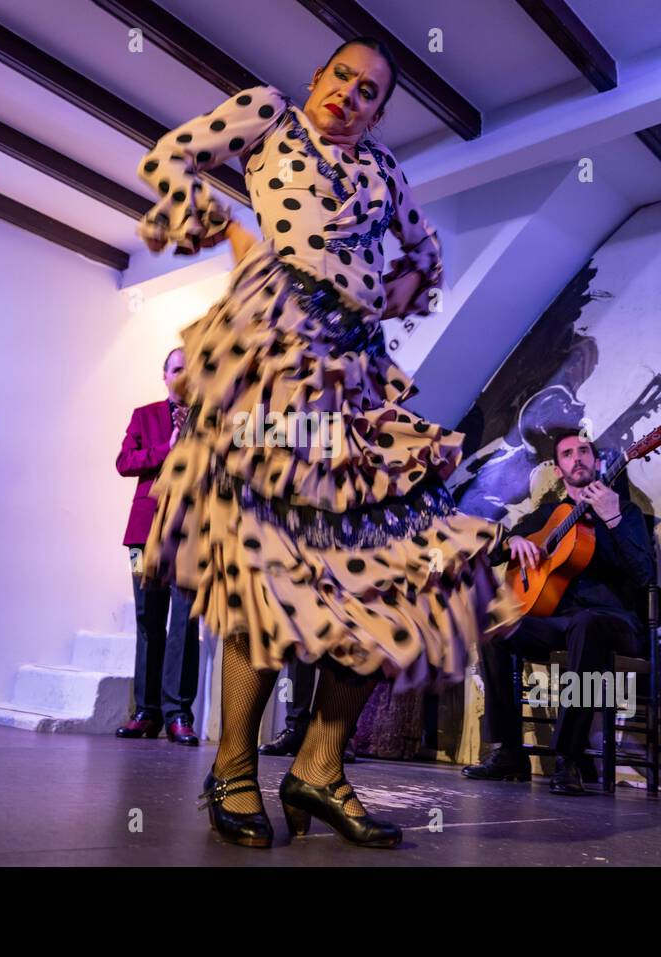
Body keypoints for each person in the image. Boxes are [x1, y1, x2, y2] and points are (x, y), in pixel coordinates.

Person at [134, 37, 518, 849]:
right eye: (342, 76)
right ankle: (234, 765)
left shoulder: (383, 170)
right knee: (270, 570)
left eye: (369, 91)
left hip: (356, 374)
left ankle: (318, 764)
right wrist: (236, 241)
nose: (350, 93)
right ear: (318, 77)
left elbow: (426, 254)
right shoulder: (269, 114)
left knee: (386, 580)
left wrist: (381, 303)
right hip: (274, 356)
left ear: (381, 111)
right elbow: (170, 159)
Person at [463, 430, 656, 795]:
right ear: (559, 471)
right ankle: (508, 752)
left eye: (584, 451)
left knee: (588, 625)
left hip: (613, 620)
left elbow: (645, 574)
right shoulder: (547, 515)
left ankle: (570, 757)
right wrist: (512, 540)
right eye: (567, 454)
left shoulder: (625, 511)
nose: (577, 457)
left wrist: (612, 518)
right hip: (558, 621)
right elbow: (492, 554)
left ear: (597, 463)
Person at [114, 347, 201, 746]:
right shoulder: (144, 415)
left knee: (184, 622)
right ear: (165, 376)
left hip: (192, 534)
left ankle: (178, 714)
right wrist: (166, 449)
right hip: (143, 534)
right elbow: (124, 462)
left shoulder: (214, 420)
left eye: (190, 370)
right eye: (177, 369)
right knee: (148, 621)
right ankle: (146, 713)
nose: (183, 375)